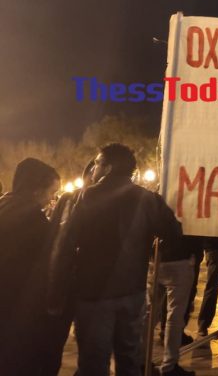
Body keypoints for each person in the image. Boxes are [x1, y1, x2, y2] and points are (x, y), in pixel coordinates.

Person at [49, 143, 182, 376]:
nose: (93, 169)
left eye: (97, 163)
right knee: (129, 359)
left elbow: (65, 245)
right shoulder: (147, 198)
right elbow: (173, 232)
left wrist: (56, 291)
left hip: (94, 294)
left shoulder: (85, 197)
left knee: (93, 363)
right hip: (133, 292)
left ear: (108, 168)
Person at [0, 158, 60, 376]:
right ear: (36, 190)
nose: (52, 199)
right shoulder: (36, 223)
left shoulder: (4, 206)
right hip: (17, 313)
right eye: (52, 192)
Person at [46, 159, 95, 375]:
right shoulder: (69, 199)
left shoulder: (107, 203)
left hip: (91, 285)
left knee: (89, 343)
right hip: (66, 282)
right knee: (54, 341)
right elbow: (54, 241)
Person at [144, 234, 198, 376]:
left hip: (155, 256)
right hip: (180, 258)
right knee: (174, 317)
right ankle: (169, 367)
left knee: (149, 314)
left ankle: (142, 362)